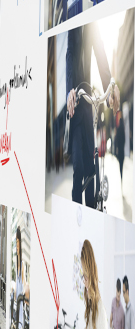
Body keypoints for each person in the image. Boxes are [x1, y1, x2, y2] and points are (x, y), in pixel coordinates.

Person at [66, 25, 120, 207]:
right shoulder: (72, 21)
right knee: (78, 168)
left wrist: (109, 86)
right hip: (75, 105)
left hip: (88, 107)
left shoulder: (92, 25)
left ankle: (91, 211)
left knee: (91, 168)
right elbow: (70, 54)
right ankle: (76, 214)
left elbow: (100, 50)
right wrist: (69, 91)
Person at [81, 239, 107, 329]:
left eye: (85, 276)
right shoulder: (91, 309)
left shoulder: (100, 311)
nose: (84, 282)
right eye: (83, 276)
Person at [13, 227, 29, 329]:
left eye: (18, 242)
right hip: (16, 303)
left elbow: (24, 283)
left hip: (21, 303)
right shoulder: (16, 265)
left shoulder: (22, 264)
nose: (17, 245)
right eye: (16, 242)